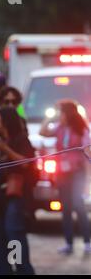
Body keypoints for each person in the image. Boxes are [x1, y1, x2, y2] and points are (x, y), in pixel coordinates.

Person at [0, 107, 35, 275]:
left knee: (14, 234)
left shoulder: (20, 139)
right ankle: (2, 270)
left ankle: (21, 269)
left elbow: (26, 163)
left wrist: (4, 148)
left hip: (14, 195)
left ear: (5, 120)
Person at [40, 99, 91, 254]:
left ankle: (87, 241)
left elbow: (87, 155)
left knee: (78, 204)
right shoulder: (59, 128)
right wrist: (50, 118)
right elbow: (42, 132)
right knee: (66, 207)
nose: (59, 115)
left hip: (77, 172)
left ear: (68, 113)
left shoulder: (82, 130)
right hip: (62, 173)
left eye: (61, 112)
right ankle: (68, 243)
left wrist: (88, 180)